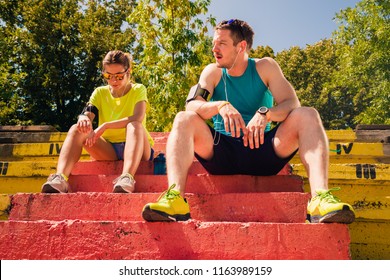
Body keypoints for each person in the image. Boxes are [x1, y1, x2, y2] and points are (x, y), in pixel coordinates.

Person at [141, 19, 355, 224]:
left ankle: (319, 199)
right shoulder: (212, 71)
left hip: (262, 150)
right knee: (183, 118)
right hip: (221, 151)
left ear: (241, 46)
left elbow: (292, 103)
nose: (215, 49)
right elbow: (192, 105)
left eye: (222, 44)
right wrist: (220, 105)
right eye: (214, 43)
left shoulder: (265, 67)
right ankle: (175, 199)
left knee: (308, 114)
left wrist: (266, 114)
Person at [41, 50, 154, 193]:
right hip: (109, 149)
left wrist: (106, 126)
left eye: (119, 76)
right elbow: (87, 114)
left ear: (128, 71)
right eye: (108, 76)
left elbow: (137, 117)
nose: (114, 81)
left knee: (135, 125)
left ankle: (127, 178)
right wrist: (83, 118)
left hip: (139, 147)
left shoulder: (138, 89)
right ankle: (61, 178)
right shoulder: (100, 92)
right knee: (77, 128)